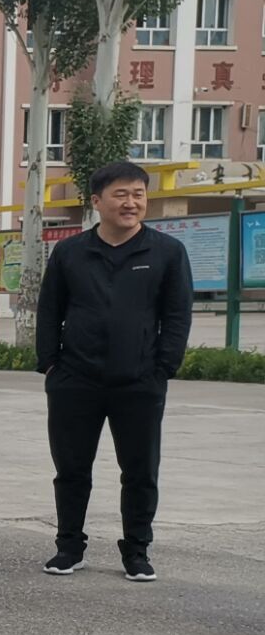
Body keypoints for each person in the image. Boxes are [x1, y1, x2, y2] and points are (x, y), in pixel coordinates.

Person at [36, 160, 192, 581]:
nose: (131, 202)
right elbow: (49, 310)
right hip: (75, 380)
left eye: (138, 194)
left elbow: (177, 314)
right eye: (121, 194)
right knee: (71, 470)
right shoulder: (71, 252)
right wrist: (50, 364)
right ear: (97, 201)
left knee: (141, 472)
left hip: (139, 382)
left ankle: (136, 551)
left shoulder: (166, 252)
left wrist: (163, 367)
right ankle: (69, 547)